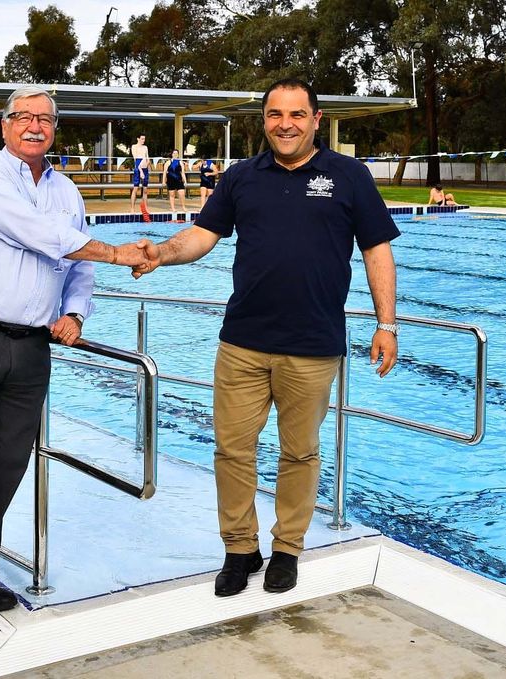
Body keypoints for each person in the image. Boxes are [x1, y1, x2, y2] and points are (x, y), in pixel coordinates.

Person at [130, 78, 400, 597]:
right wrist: (161, 253)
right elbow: (202, 236)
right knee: (232, 450)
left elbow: (376, 250)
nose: (285, 124)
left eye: (297, 114)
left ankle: (287, 549)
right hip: (243, 341)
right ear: (264, 121)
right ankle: (239, 549)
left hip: (314, 343)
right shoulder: (242, 177)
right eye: (275, 114)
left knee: (299, 454)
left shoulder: (348, 175)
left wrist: (386, 324)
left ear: (316, 119)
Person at [0, 85, 148, 645]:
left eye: (44, 119)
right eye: (23, 116)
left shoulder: (66, 190)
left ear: (55, 129)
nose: (34, 126)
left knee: (5, 468)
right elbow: (36, 233)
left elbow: (76, 267)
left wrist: (74, 313)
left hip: (31, 348)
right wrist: (116, 252)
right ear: (5, 125)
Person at [163, 149, 188, 218]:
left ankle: (183, 207)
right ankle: (173, 208)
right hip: (170, 180)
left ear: (178, 154)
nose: (175, 154)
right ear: (172, 154)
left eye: (176, 153)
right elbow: (164, 172)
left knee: (182, 194)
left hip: (179, 180)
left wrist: (185, 181)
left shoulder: (180, 162)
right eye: (174, 153)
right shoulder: (168, 162)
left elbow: (182, 173)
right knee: (172, 195)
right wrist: (163, 181)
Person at [130, 134, 150, 213]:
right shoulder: (134, 147)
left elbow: (148, 159)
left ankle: (146, 208)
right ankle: (132, 208)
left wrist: (146, 166)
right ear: (138, 139)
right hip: (138, 168)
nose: (143, 140)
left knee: (145, 189)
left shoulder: (145, 147)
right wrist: (141, 171)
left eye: (144, 139)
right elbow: (136, 160)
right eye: (142, 139)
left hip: (145, 168)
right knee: (135, 188)